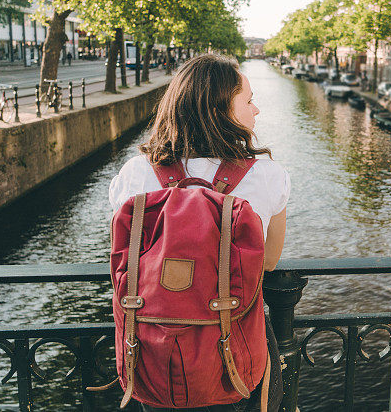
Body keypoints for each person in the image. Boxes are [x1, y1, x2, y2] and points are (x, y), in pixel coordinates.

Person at [109, 55, 288, 411]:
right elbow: (268, 262)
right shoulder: (267, 175)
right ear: (221, 111)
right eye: (248, 100)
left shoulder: (134, 174)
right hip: (233, 353)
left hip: (153, 352)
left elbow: (124, 259)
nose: (256, 110)